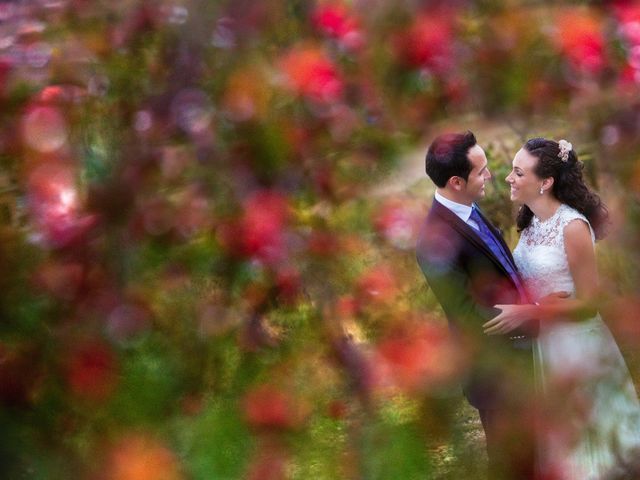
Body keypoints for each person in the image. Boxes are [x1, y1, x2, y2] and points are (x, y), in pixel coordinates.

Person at [483, 137, 640, 479]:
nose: (509, 178)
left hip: (577, 347)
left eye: (517, 172)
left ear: (546, 182)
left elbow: (589, 303)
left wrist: (531, 312)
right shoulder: (530, 223)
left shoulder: (573, 227)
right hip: (545, 346)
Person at [416, 131, 539, 479]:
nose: (490, 176)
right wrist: (534, 320)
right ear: (456, 181)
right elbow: (468, 316)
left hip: (527, 358)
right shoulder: (432, 242)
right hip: (497, 373)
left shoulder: (469, 209)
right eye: (481, 171)